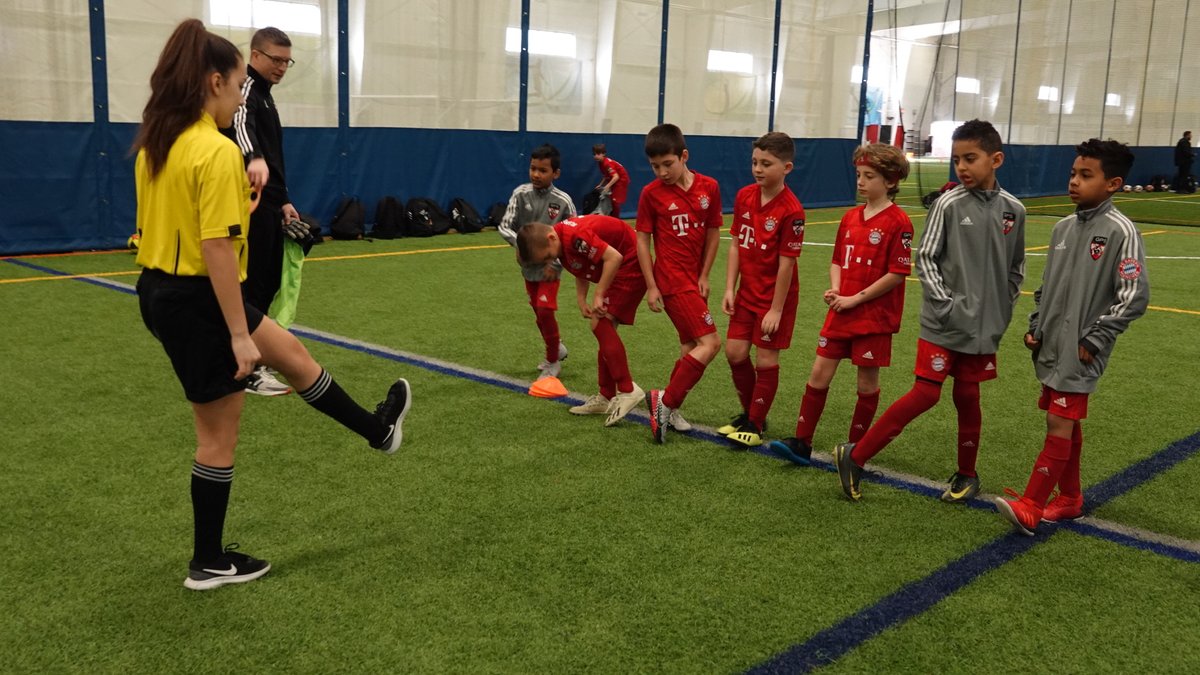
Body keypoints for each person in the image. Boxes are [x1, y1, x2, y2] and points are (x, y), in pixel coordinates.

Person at [132, 19, 411, 590]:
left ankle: (377, 431)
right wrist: (238, 335)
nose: (241, 98)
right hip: (199, 299)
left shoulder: (156, 144)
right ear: (213, 82)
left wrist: (249, 197)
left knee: (290, 353)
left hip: (163, 291)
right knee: (217, 439)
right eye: (237, 86)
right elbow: (213, 247)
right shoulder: (212, 150)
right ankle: (208, 561)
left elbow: (170, 225)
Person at [833, 119, 1026, 502]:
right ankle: (857, 456)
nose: (963, 168)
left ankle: (967, 475)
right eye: (957, 160)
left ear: (996, 159)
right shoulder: (948, 205)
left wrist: (1003, 308)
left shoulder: (1014, 210)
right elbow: (927, 260)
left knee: (968, 396)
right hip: (944, 322)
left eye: (971, 158)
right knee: (926, 393)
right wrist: (948, 306)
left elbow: (1015, 268)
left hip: (985, 327)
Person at [995, 139, 1149, 534]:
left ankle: (1031, 503)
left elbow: (1134, 296)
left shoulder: (1120, 231)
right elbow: (1048, 287)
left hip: (1082, 351)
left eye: (1086, 175)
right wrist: (1036, 327)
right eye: (1073, 173)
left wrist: (1095, 339)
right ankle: (1069, 499)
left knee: (1057, 422)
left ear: (1113, 183)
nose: (1074, 182)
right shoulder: (1063, 228)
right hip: (1053, 345)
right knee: (1067, 421)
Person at [770, 143, 912, 465]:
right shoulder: (850, 217)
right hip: (841, 311)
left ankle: (856, 450)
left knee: (866, 382)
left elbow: (898, 273)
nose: (860, 181)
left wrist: (855, 299)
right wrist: (836, 291)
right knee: (819, 372)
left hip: (873, 316)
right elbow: (837, 261)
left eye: (869, 176)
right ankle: (801, 443)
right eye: (859, 175)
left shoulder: (899, 222)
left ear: (890, 182)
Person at [222, 26, 301, 396]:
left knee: (267, 281)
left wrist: (283, 199)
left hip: (269, 203)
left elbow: (273, 154)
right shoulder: (248, 90)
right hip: (248, 203)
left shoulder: (267, 96)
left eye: (287, 61)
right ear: (255, 55)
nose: (282, 67)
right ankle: (244, 366)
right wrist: (252, 158)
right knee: (251, 283)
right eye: (276, 59)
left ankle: (253, 360)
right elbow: (241, 128)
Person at [718, 132, 805, 448]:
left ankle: (754, 425)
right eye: (755, 162)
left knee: (766, 360)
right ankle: (750, 412)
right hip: (746, 294)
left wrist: (776, 309)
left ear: (787, 167)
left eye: (766, 164)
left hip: (773, 298)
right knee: (735, 352)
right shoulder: (744, 196)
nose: (758, 169)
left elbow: (786, 265)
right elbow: (737, 244)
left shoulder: (792, 210)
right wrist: (729, 287)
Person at [638, 124, 724, 443]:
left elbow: (714, 231)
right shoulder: (651, 194)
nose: (661, 172)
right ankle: (666, 402)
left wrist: (704, 274)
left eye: (667, 164)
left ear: (683, 156)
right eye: (654, 166)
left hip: (693, 280)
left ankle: (670, 410)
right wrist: (651, 285)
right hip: (672, 281)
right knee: (711, 344)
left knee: (691, 347)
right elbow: (642, 241)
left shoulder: (709, 188)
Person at [516, 215, 647, 425]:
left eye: (548, 255)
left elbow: (614, 257)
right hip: (620, 264)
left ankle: (628, 389)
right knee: (603, 327)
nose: (550, 261)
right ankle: (606, 395)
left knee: (600, 324)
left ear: (551, 238)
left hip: (631, 263)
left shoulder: (574, 236)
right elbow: (583, 265)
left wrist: (599, 293)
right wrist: (581, 298)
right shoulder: (561, 243)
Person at [497, 144, 578, 379]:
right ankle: (557, 347)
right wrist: (520, 245)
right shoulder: (520, 194)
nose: (536, 175)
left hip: (550, 269)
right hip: (527, 269)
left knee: (545, 311)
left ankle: (553, 361)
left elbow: (573, 234)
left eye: (543, 170)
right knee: (537, 311)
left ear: (556, 173)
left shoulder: (563, 201)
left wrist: (557, 263)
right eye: (533, 168)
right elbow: (504, 226)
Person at [593, 143, 631, 218]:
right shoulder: (600, 163)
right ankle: (612, 217)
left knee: (615, 200)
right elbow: (606, 175)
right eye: (594, 154)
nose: (596, 156)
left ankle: (616, 219)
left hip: (621, 180)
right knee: (610, 198)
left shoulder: (607, 163)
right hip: (616, 179)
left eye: (598, 154)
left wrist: (607, 186)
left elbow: (616, 176)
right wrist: (601, 184)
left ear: (604, 154)